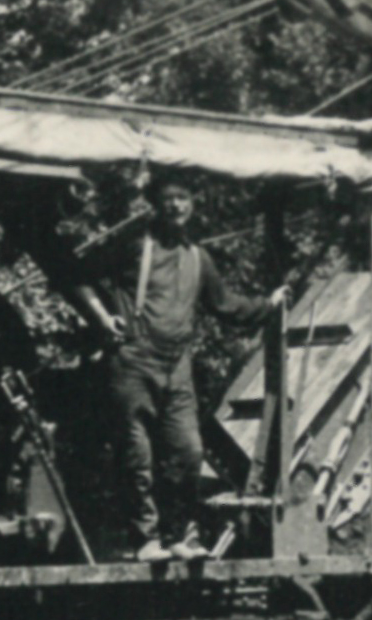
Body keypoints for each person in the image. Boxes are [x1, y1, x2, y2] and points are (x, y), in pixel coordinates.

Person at [70, 172, 288, 561]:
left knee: (188, 453)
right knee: (137, 456)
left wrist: (268, 304)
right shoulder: (134, 245)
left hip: (177, 367)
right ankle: (146, 541)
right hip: (132, 363)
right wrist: (102, 319)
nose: (175, 205)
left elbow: (227, 306)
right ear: (156, 203)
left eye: (182, 197)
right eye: (168, 198)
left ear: (192, 203)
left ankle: (181, 537)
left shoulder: (198, 258)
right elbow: (78, 273)